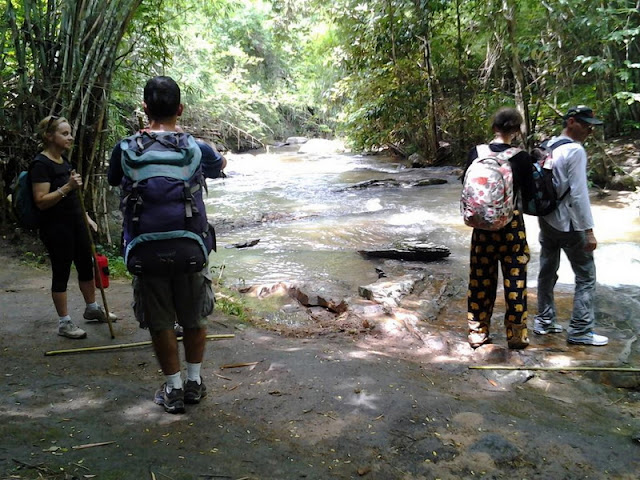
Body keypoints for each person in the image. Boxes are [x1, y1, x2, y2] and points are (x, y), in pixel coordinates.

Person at [108, 76, 226, 414]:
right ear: (180, 108)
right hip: (190, 249)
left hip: (145, 253)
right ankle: (193, 382)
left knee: (160, 321)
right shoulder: (195, 147)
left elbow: (116, 179)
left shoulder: (126, 148)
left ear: (144, 108)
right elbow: (219, 167)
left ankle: (172, 389)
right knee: (194, 317)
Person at [31, 115, 116, 339]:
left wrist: (85, 217)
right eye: (64, 133)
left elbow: (73, 196)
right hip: (56, 227)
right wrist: (67, 187)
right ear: (49, 136)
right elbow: (41, 200)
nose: (70, 137)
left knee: (86, 267)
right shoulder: (41, 164)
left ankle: (92, 308)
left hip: (76, 223)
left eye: (70, 133)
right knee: (61, 272)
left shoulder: (64, 161)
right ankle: (64, 322)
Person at [533, 106, 608, 346]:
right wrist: (588, 230)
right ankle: (580, 330)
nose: (589, 130)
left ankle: (544, 321)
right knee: (586, 276)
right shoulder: (575, 151)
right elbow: (579, 194)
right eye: (585, 125)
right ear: (571, 122)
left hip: (546, 220)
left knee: (547, 270)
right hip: (569, 224)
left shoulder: (549, 145)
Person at [464, 107, 535, 349]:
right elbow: (530, 194)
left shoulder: (476, 153)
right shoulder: (521, 157)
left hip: (482, 228)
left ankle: (477, 332)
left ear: (494, 127)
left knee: (480, 279)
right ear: (516, 130)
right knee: (515, 279)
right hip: (511, 227)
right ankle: (516, 335)